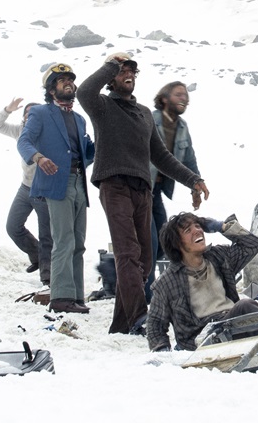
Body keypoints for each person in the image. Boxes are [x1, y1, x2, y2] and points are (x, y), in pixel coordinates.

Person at [78, 53, 208, 335]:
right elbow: (84, 91)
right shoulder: (102, 106)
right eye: (124, 71)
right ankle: (140, 317)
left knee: (146, 260)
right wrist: (111, 64)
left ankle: (122, 325)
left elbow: (160, 155)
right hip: (114, 186)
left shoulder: (143, 115)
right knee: (127, 253)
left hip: (142, 189)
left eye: (133, 72)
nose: (129, 75)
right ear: (112, 78)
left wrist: (192, 179)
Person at [18, 64, 95, 314]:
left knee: (79, 242)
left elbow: (87, 154)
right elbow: (24, 141)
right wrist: (39, 158)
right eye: (62, 80)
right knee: (64, 240)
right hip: (55, 183)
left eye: (70, 80)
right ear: (52, 90)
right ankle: (61, 297)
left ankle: (76, 296)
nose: (68, 83)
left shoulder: (80, 119)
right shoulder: (40, 113)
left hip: (79, 183)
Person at [146, 212, 258, 352]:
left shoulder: (218, 257)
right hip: (203, 339)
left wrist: (221, 226)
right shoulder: (167, 282)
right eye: (188, 230)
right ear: (176, 243)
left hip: (233, 324)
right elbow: (155, 324)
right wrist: (162, 350)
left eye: (198, 226)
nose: (197, 231)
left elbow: (253, 245)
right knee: (245, 306)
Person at [146, 81, 201, 294]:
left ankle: (151, 285)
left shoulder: (182, 127)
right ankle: (147, 294)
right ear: (164, 99)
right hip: (142, 188)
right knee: (149, 240)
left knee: (163, 239)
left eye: (185, 95)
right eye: (178, 94)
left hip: (158, 190)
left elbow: (189, 159)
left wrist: (195, 186)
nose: (184, 99)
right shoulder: (149, 119)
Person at [0, 97, 52, 284]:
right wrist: (8, 109)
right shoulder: (20, 131)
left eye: (33, 114)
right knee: (13, 227)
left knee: (47, 234)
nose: (29, 116)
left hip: (44, 190)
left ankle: (49, 278)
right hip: (25, 188)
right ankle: (37, 256)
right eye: (26, 114)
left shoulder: (48, 133)